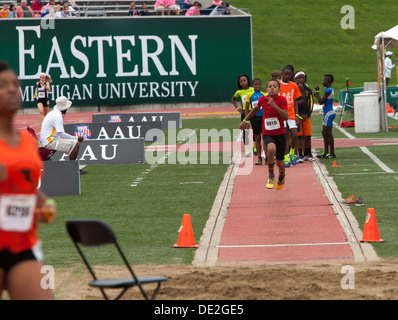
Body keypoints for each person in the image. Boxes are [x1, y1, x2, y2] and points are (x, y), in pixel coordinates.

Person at [0, 61, 57, 300]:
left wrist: (45, 204)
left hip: (22, 246)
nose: (13, 89)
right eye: (3, 85)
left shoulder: (26, 141)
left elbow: (28, 187)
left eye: (16, 84)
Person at [240, 79, 289, 190]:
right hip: (267, 133)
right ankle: (271, 175)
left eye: (275, 86)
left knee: (280, 162)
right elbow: (254, 110)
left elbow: (285, 116)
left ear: (279, 90)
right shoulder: (263, 99)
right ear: (266, 89)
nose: (272, 88)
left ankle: (282, 174)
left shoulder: (282, 100)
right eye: (270, 86)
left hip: (280, 134)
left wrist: (274, 105)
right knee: (270, 149)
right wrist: (245, 120)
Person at [39, 96, 87, 173]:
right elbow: (61, 134)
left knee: (73, 144)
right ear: (64, 108)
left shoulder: (53, 113)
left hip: (49, 140)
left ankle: (72, 168)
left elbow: (60, 134)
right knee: (76, 144)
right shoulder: (57, 116)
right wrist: (76, 138)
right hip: (49, 141)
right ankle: (73, 169)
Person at [279, 65, 301, 167]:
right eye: (285, 74)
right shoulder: (278, 85)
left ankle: (292, 152)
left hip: (292, 113)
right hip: (282, 114)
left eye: (289, 75)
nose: (287, 76)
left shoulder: (294, 85)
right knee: (285, 135)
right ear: (282, 75)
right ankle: (286, 156)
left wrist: (297, 114)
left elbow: (295, 100)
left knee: (295, 134)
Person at [231, 74, 254, 157]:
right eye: (241, 81)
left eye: (244, 80)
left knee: (255, 130)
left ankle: (254, 147)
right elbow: (233, 99)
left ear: (248, 81)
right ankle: (247, 150)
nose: (243, 82)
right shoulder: (239, 92)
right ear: (239, 83)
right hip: (245, 113)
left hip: (253, 111)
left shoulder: (252, 89)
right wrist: (238, 108)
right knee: (245, 131)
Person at [245, 78, 267, 165]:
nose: (257, 86)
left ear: (261, 85)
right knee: (257, 138)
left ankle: (267, 157)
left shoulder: (264, 95)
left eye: (259, 84)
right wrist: (246, 119)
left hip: (263, 117)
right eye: (255, 84)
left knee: (265, 138)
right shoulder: (249, 95)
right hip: (254, 118)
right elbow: (247, 108)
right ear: (253, 85)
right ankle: (259, 158)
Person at [314, 74, 336, 159]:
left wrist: (317, 94)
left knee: (328, 133)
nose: (322, 82)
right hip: (327, 113)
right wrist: (318, 94)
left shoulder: (328, 90)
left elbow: (321, 102)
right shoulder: (329, 89)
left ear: (328, 81)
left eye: (323, 80)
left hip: (329, 113)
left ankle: (332, 153)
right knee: (324, 133)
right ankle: (326, 152)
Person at [295, 71, 314, 162]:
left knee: (307, 136)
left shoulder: (308, 90)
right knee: (299, 136)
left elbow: (311, 103)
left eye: (303, 77)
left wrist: (308, 114)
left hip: (306, 116)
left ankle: (307, 154)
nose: (302, 79)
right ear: (295, 79)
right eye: (300, 77)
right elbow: (294, 104)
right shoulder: (294, 90)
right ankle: (300, 155)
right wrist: (298, 114)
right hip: (298, 116)